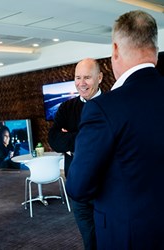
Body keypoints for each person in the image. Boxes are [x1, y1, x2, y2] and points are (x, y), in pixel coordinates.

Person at [66, 10, 164, 250]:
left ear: (116, 50)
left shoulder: (104, 108)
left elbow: (78, 186)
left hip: (129, 234)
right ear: (154, 49)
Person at [48, 58, 103, 250]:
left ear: (100, 78)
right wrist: (85, 140)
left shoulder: (111, 104)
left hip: (106, 187)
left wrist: (70, 140)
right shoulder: (66, 108)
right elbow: (54, 140)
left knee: (111, 237)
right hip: (77, 186)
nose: (81, 83)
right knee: (89, 240)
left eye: (87, 77)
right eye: (78, 77)